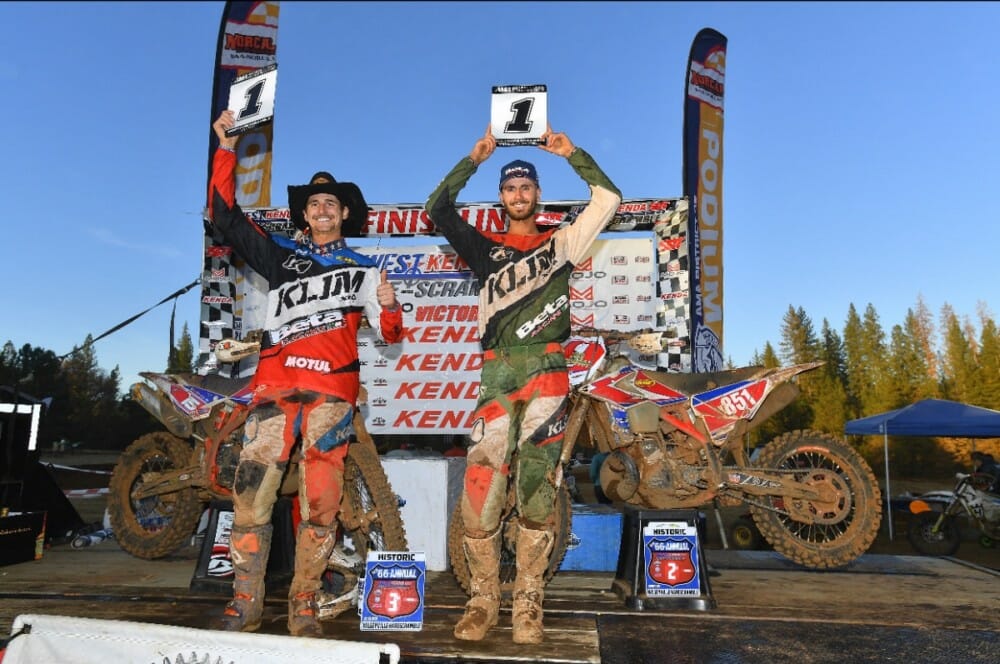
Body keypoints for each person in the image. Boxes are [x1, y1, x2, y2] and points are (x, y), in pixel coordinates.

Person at [208, 110, 404, 637]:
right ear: (305, 214)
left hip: (332, 399)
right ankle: (245, 601)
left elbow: (389, 335)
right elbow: (225, 219)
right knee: (251, 500)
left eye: (330, 204)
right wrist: (226, 149)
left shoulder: (364, 270)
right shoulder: (280, 256)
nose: (321, 209)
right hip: (274, 394)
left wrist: (388, 305)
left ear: (343, 214)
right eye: (314, 203)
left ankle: (303, 605)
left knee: (323, 506)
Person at [424, 125, 621, 644]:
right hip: (497, 373)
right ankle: (483, 599)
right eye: (509, 188)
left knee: (537, 492)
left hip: (549, 374)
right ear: (501, 197)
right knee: (481, 492)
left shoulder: (563, 242)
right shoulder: (481, 247)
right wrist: (475, 159)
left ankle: (529, 601)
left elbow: (608, 198)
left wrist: (571, 153)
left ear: (537, 193)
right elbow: (437, 209)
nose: (518, 194)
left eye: (526, 186)